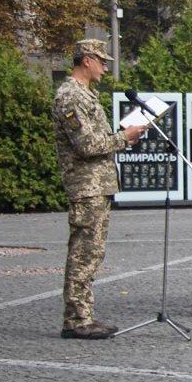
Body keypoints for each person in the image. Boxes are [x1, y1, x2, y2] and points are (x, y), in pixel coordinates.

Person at [51, 39, 146, 338]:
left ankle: (84, 315)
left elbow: (96, 141)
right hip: (86, 186)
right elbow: (87, 145)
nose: (106, 67)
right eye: (102, 61)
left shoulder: (85, 95)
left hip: (97, 185)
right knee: (83, 252)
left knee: (92, 253)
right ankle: (76, 320)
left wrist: (123, 137)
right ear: (86, 61)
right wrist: (122, 137)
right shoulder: (70, 96)